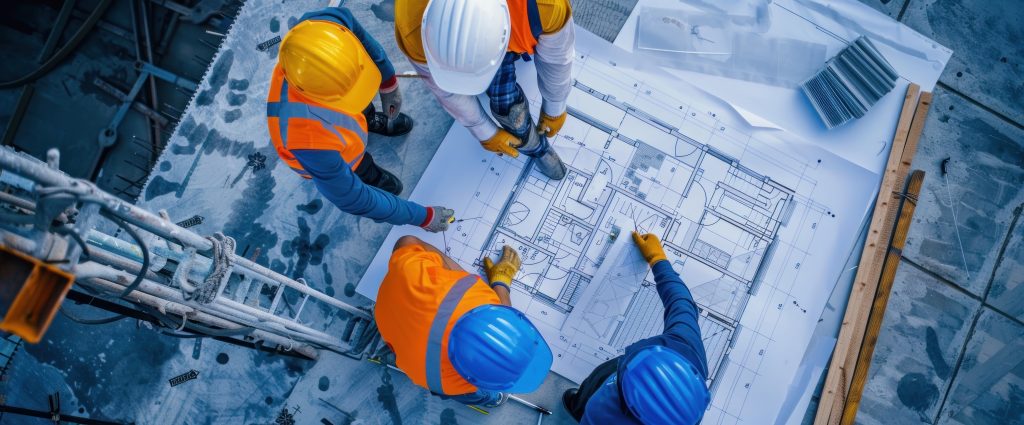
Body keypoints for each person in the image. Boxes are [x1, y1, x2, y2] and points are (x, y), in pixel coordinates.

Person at [267, 7, 452, 232]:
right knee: (355, 161)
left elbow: (359, 35)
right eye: (349, 97)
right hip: (336, 154)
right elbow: (355, 199)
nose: (363, 92)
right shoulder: (308, 141)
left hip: (330, 118)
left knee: (360, 103)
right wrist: (421, 217)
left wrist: (388, 82)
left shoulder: (321, 29)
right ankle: (368, 174)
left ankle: (370, 119)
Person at [394, 0, 574, 180]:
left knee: (513, 109)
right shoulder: (415, 29)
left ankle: (537, 147)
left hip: (520, 19)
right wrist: (483, 130)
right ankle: (536, 148)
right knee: (508, 107)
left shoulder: (545, 7)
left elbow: (557, 60)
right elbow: (445, 91)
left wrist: (555, 105)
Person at [374, 236, 552, 407]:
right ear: (471, 376)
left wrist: (501, 283)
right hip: (389, 329)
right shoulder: (451, 384)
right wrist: (501, 282)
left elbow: (406, 241)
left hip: (390, 306)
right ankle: (492, 399)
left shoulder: (477, 294)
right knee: (482, 395)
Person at [562, 232, 711, 425]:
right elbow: (680, 303)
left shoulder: (600, 414)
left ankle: (577, 405)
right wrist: (658, 260)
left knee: (595, 385)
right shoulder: (685, 349)